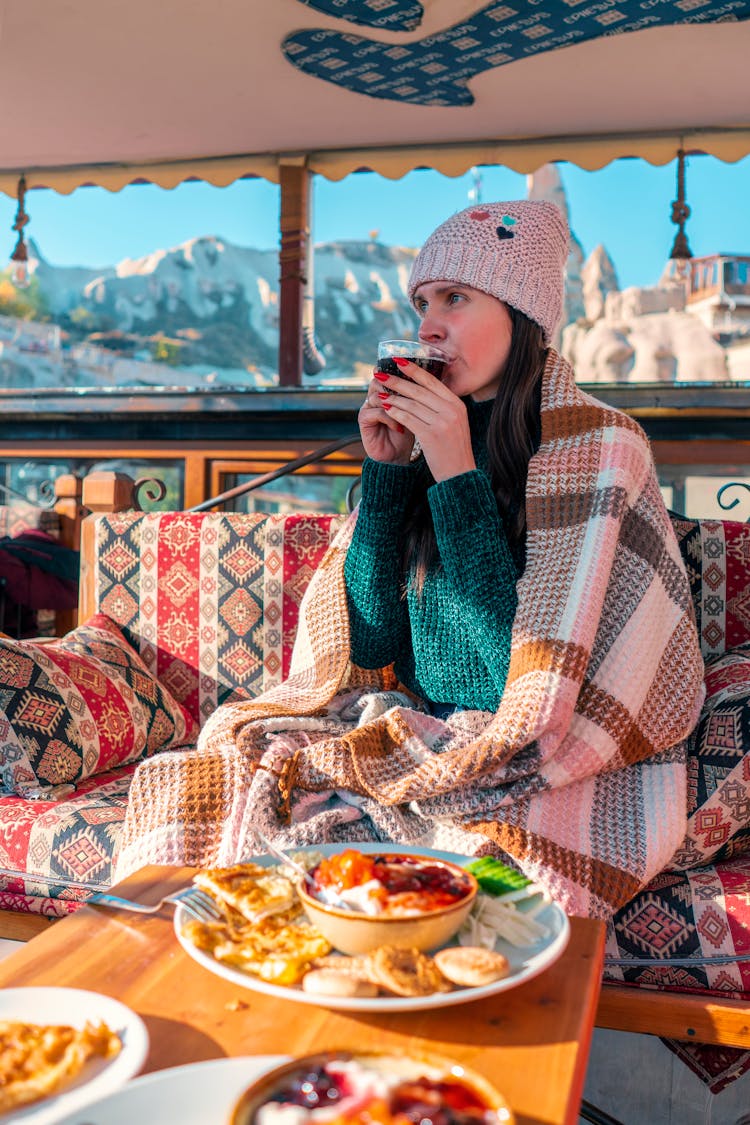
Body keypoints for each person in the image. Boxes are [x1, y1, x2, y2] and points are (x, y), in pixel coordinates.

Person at [118, 201, 705, 919]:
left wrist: (458, 473)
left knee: (447, 877)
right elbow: (368, 649)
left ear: (522, 313)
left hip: (528, 751)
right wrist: (390, 472)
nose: (428, 324)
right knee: (203, 785)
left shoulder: (600, 447)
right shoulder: (426, 439)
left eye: (455, 298)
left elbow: (514, 690)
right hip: (416, 723)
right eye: (423, 301)